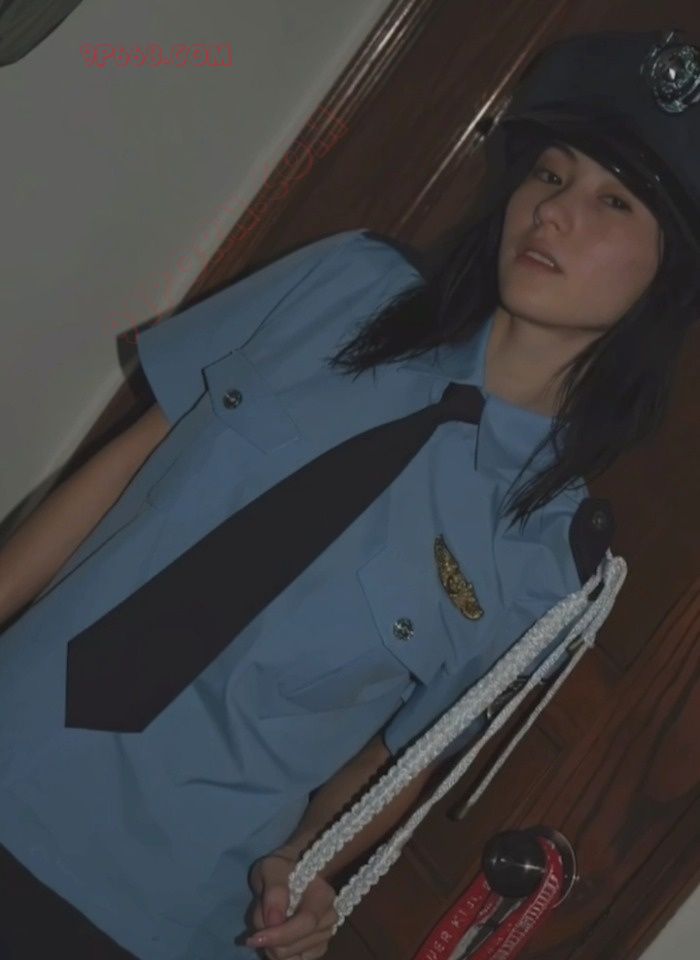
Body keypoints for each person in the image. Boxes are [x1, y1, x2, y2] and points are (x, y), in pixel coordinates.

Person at [1, 24, 699, 960]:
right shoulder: (345, 287)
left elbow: (395, 759)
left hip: (153, 905)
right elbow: (126, 462)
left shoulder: (548, 563)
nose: (554, 212)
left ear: (668, 280)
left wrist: (310, 870)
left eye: (612, 201)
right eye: (549, 174)